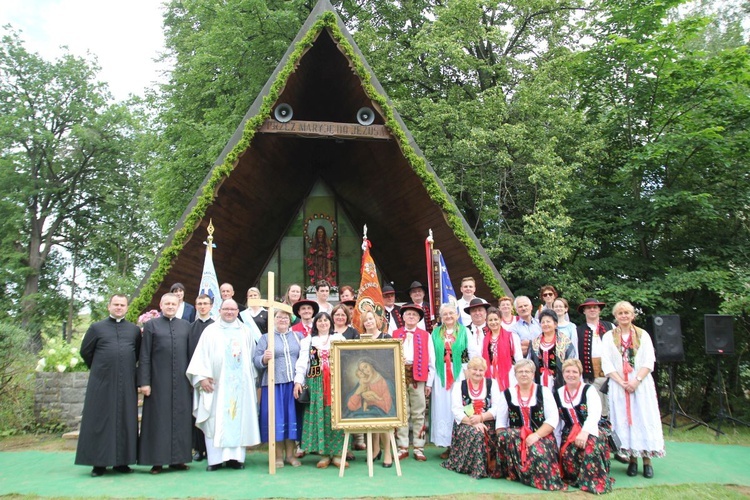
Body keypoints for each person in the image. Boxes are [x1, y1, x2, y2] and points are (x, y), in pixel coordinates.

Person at [186, 299, 261, 471]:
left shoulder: (245, 331)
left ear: (237, 311)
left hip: (239, 386)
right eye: (226, 309)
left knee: (238, 418)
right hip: (216, 386)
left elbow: (251, 359)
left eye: (232, 309)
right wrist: (201, 378)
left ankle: (236, 459)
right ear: (219, 310)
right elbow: (201, 356)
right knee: (214, 420)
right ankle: (215, 460)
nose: (229, 312)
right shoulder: (210, 331)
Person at [75, 294, 142, 477]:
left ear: (127, 308)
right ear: (109, 306)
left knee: (125, 420)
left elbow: (136, 353)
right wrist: (101, 368)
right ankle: (99, 463)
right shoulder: (96, 328)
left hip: (127, 383)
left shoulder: (134, 330)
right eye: (116, 304)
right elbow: (86, 351)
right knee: (100, 421)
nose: (119, 307)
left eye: (122, 305)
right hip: (102, 383)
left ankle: (122, 462)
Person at [601, 301, 664, 479]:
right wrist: (622, 382)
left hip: (640, 384)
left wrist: (636, 381)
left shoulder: (643, 335)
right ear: (615, 316)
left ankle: (647, 460)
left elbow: (648, 361)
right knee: (625, 420)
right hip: (619, 384)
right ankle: (632, 460)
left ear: (633, 315)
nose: (624, 316)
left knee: (642, 417)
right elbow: (606, 362)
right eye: (620, 313)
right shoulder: (608, 337)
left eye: (627, 312)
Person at [138, 293, 193, 474]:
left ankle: (179, 460)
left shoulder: (185, 326)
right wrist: (144, 382)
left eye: (173, 304)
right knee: (158, 421)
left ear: (178, 306)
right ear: (161, 305)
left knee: (181, 420)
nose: (170, 306)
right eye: (167, 303)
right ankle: (157, 461)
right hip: (158, 383)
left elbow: (192, 356)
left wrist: (194, 380)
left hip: (182, 382)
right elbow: (144, 356)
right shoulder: (151, 325)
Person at [496, 359, 567, 491]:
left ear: (533, 374)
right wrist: (505, 444)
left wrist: (536, 435)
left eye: (527, 371)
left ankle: (540, 479)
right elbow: (500, 423)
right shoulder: (507, 394)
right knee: (508, 435)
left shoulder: (544, 392)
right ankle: (513, 471)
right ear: (515, 374)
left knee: (538, 454)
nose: (524, 374)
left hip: (541, 435)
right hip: (516, 438)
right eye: (520, 371)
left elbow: (552, 419)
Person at [293, 312, 348, 468]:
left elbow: (347, 359)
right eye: (320, 321)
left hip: (336, 382)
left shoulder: (339, 339)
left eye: (326, 320)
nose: (323, 323)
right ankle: (324, 454)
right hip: (316, 383)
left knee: (335, 415)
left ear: (330, 323)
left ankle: (337, 454)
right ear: (315, 324)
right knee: (320, 416)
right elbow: (303, 362)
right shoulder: (308, 341)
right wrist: (298, 381)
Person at [554, 359, 614, 494]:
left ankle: (594, 482)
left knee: (590, 446)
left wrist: (585, 432)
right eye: (567, 371)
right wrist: (557, 444)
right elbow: (557, 422)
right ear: (563, 373)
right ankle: (577, 477)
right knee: (568, 456)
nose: (571, 374)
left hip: (592, 428)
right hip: (570, 432)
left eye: (574, 372)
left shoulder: (589, 390)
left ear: (580, 373)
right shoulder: (558, 393)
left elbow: (594, 414)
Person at [253, 309, 303, 467]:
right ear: (273, 319)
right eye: (279, 317)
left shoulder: (298, 336)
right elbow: (255, 360)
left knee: (291, 419)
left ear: (290, 320)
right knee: (276, 420)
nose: (282, 320)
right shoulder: (266, 338)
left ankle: (291, 455)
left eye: (285, 317)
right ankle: (278, 456)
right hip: (273, 385)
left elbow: (304, 358)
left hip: (293, 385)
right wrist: (264, 359)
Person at [429, 303, 479, 459]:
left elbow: (473, 353)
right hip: (441, 373)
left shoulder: (465, 332)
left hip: (461, 373)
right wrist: (430, 381)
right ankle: (448, 445)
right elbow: (431, 357)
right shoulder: (435, 333)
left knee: (459, 405)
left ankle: (462, 444)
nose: (448, 316)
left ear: (457, 315)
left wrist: (471, 374)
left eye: (451, 313)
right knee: (444, 406)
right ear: (441, 317)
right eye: (445, 314)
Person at [441, 357, 501, 479]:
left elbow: (496, 407)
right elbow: (456, 410)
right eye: (474, 369)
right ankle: (475, 468)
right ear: (468, 370)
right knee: (476, 433)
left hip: (487, 421)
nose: (478, 373)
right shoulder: (459, 386)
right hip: (465, 423)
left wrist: (481, 418)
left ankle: (491, 466)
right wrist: (472, 422)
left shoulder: (492, 384)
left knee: (486, 432)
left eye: (481, 370)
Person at [392, 304, 435, 462]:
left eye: (414, 315)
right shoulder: (395, 334)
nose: (411, 317)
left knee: (419, 413)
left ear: (418, 319)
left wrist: (429, 383)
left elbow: (432, 361)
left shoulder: (425, 335)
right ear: (403, 317)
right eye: (408, 314)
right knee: (402, 412)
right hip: (400, 375)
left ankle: (419, 447)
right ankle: (402, 446)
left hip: (418, 377)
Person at [357, 310, 395, 467]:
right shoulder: (359, 339)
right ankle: (375, 449)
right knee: (372, 416)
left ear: (377, 320)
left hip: (383, 382)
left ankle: (387, 451)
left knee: (384, 417)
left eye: (371, 319)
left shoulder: (387, 337)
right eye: (365, 320)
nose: (368, 322)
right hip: (368, 382)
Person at [188, 294, 215, 462]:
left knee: (213, 414)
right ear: (196, 306)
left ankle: (212, 448)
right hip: (196, 377)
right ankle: (199, 449)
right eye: (200, 304)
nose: (203, 306)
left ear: (211, 306)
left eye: (205, 303)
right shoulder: (189, 328)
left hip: (214, 379)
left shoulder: (217, 327)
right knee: (198, 413)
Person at [529, 310, 576, 390]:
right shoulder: (535, 343)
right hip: (539, 381)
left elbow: (572, 362)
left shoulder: (565, 342)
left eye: (548, 321)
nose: (545, 324)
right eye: (543, 322)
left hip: (560, 381)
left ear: (555, 324)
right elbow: (530, 362)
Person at [481, 307, 522, 392]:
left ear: (500, 320)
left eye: (496, 319)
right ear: (487, 322)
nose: (493, 322)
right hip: (491, 372)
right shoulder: (484, 339)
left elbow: (518, 357)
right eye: (490, 320)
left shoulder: (511, 336)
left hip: (508, 372)